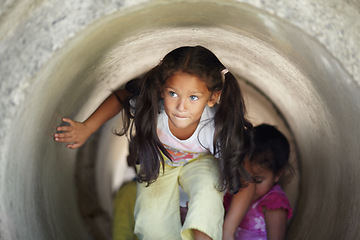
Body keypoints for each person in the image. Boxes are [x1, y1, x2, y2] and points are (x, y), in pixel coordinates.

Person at [54, 45, 254, 240]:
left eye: (193, 97)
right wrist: (88, 127)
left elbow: (246, 180)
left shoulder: (217, 127)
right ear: (161, 89)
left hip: (199, 163)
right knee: (152, 226)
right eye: (173, 93)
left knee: (207, 195)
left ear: (212, 98)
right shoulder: (154, 110)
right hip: (159, 163)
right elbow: (121, 96)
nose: (181, 106)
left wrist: (228, 231)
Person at [223, 124, 294, 240]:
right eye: (243, 177)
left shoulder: (273, 204)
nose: (251, 186)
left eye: (258, 180)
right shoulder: (235, 194)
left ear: (277, 175)